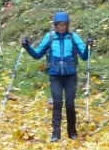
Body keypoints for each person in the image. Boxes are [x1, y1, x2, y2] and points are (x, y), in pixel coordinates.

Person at [23, 11, 93, 142]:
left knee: (70, 104)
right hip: (55, 76)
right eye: (59, 25)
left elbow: (85, 56)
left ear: (67, 25)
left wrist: (89, 46)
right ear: (55, 25)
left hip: (70, 75)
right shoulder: (50, 37)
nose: (61, 27)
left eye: (64, 25)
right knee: (57, 103)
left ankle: (72, 132)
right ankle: (56, 133)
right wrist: (27, 47)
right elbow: (37, 54)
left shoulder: (73, 37)